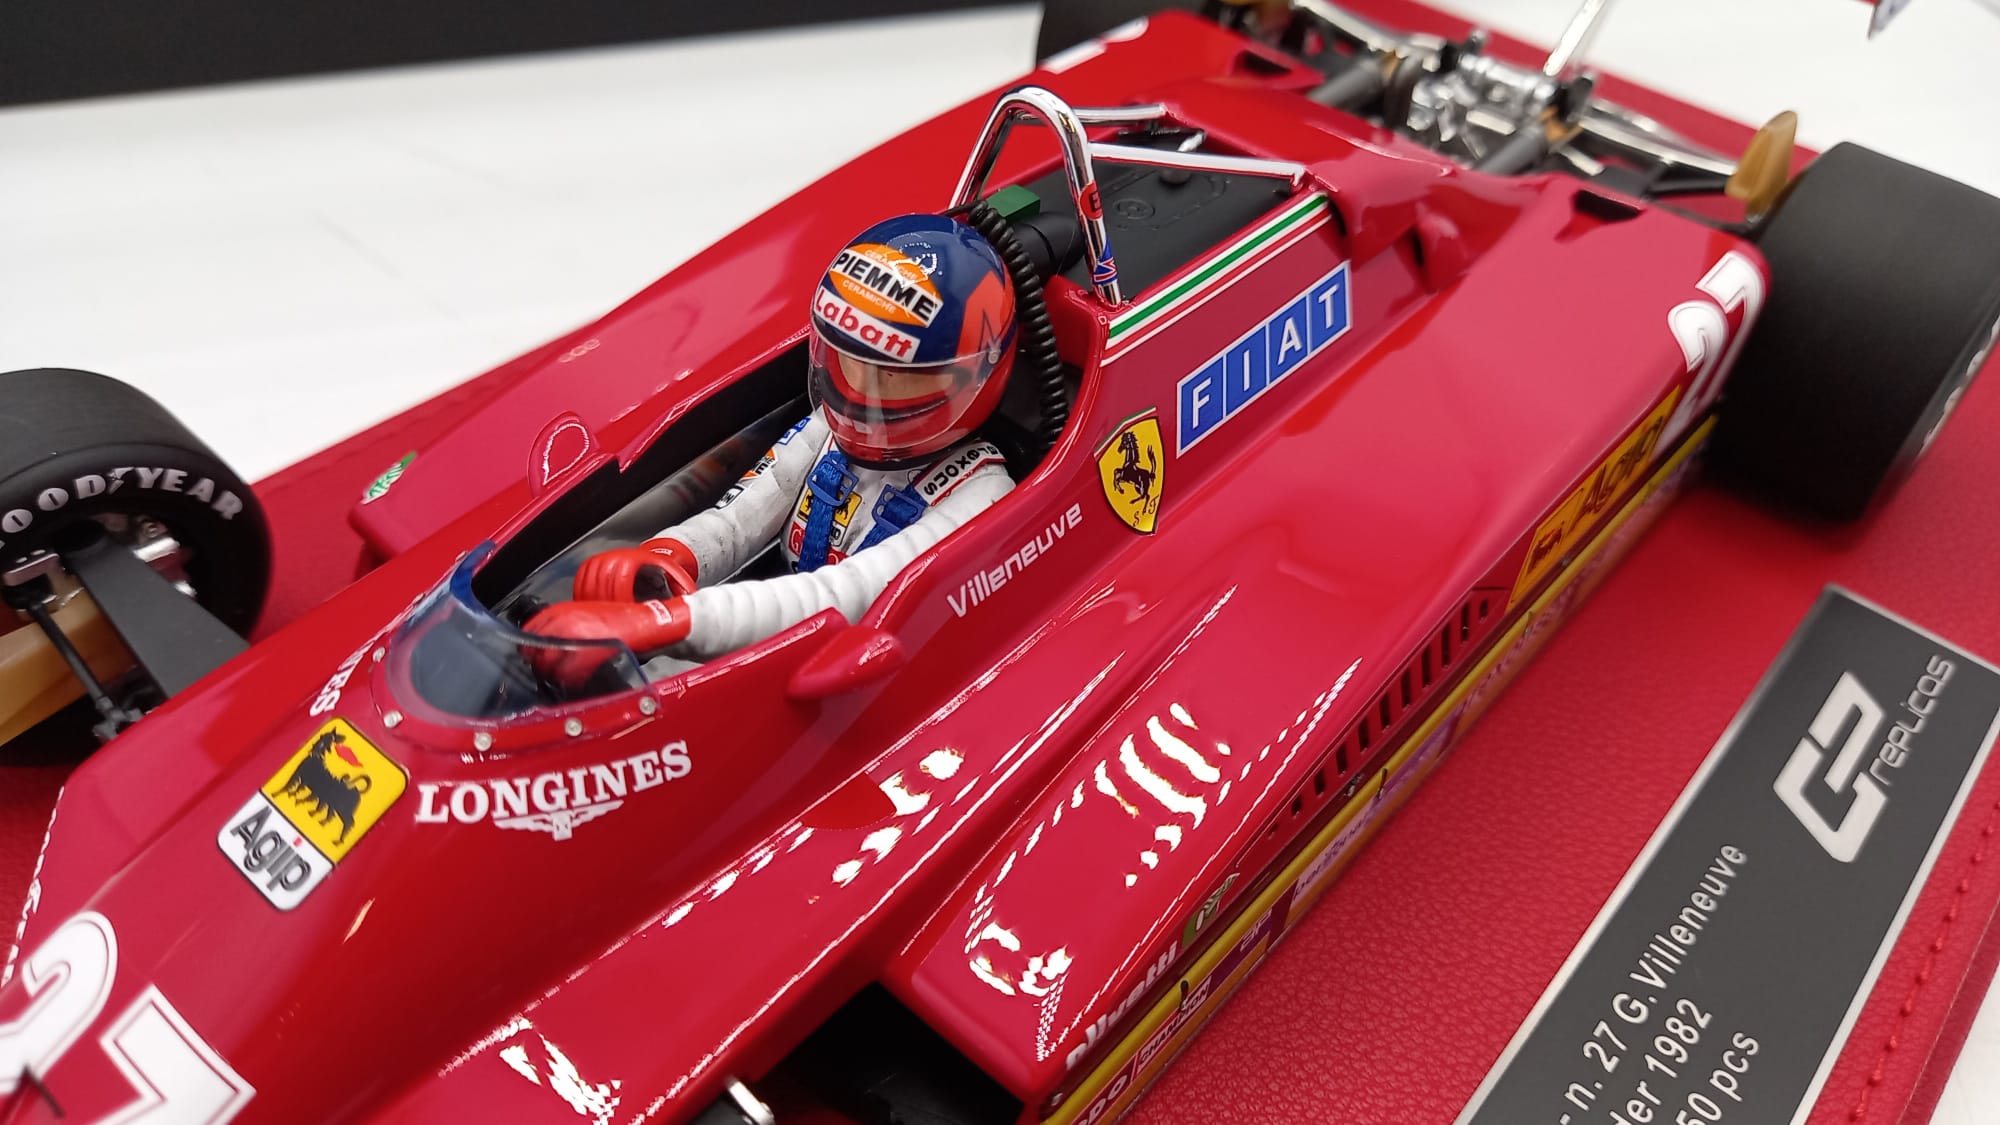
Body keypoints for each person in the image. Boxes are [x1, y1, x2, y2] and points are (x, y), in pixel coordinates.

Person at [525, 213, 1019, 683]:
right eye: (851, 363)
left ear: (973, 379)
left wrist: (666, 622)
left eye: (894, 377)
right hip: (772, 637)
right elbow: (735, 522)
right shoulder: (827, 428)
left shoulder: (982, 497)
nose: (862, 396)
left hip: (862, 665)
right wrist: (670, 556)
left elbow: (847, 596)